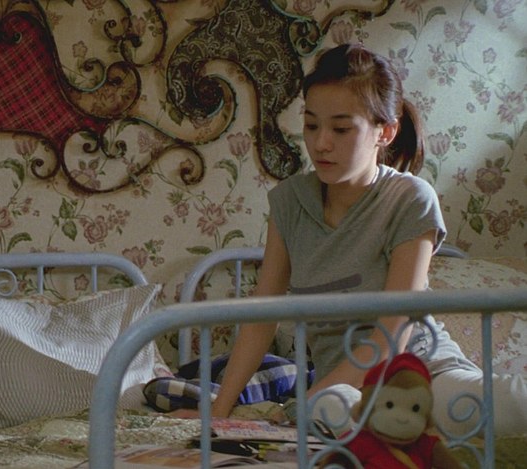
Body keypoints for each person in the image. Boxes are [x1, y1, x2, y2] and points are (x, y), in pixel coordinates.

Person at [175, 43, 526, 436]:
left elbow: (392, 336)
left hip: (418, 374)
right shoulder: (290, 203)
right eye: (311, 125)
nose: (321, 143)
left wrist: (304, 404)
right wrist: (218, 412)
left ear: (385, 131)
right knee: (335, 412)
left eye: (341, 129)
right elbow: (261, 318)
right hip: (342, 392)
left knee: (506, 405)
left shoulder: (409, 199)